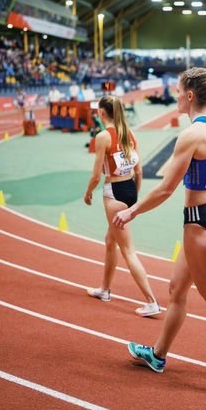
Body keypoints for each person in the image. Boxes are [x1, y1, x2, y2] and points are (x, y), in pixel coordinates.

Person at [114, 68, 206, 398]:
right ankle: (157, 355)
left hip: (200, 225)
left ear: (191, 96)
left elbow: (167, 188)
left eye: (179, 91)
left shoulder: (193, 135)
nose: (176, 96)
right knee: (176, 289)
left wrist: (131, 210)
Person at [84, 95, 160, 317]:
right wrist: (133, 201)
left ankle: (151, 301)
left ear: (102, 113)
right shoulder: (129, 133)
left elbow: (97, 176)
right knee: (110, 241)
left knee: (127, 250)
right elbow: (139, 171)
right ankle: (105, 290)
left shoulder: (103, 137)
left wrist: (88, 193)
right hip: (129, 190)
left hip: (114, 193)